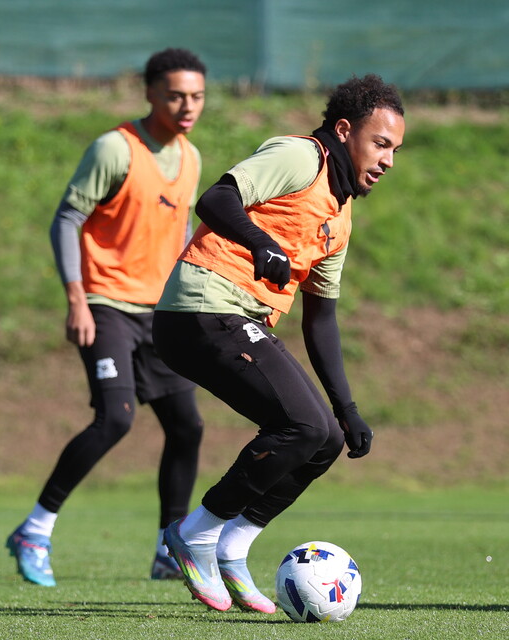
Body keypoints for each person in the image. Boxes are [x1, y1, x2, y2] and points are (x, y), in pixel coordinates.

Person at [151, 74, 405, 614]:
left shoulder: (340, 215)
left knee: (326, 438)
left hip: (236, 318)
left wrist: (349, 409)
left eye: (395, 150)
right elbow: (216, 198)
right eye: (380, 143)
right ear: (345, 130)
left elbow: (322, 322)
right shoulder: (300, 156)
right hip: (200, 306)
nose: (388, 160)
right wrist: (260, 243)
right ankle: (193, 534)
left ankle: (233, 547)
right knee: (302, 426)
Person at [6, 48, 207, 587]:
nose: (187, 106)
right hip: (105, 305)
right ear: (150, 93)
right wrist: (76, 299)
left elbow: (180, 232)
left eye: (196, 96)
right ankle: (35, 529)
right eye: (175, 95)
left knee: (186, 426)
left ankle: (171, 548)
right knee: (116, 418)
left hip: (158, 312)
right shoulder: (114, 149)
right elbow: (67, 219)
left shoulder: (191, 158)